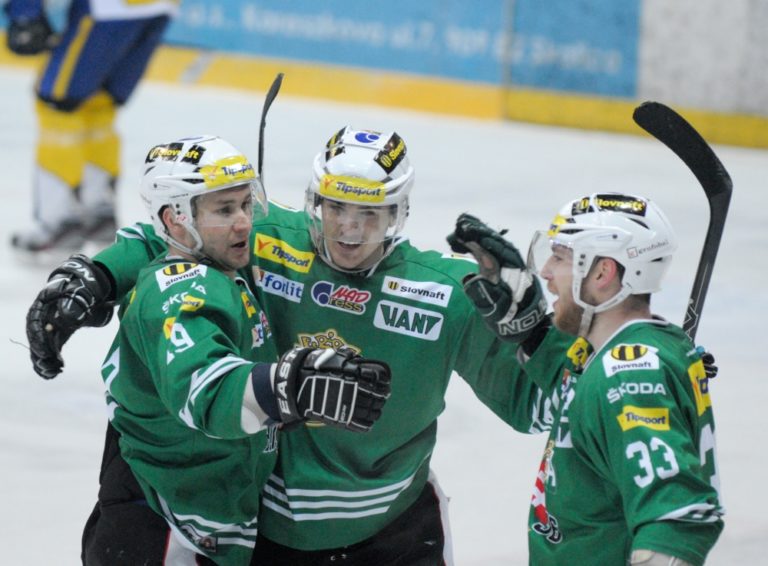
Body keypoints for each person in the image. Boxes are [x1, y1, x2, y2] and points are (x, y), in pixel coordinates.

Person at [26, 126, 565, 564]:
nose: (349, 230)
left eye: (369, 214)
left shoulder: (447, 295)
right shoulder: (264, 240)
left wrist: (534, 335)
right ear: (314, 203)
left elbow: (541, 409)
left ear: (398, 214)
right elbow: (169, 238)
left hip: (394, 536)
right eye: (336, 209)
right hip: (266, 536)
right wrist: (99, 275)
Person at [47, 134, 391, 565]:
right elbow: (205, 389)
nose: (245, 223)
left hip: (206, 519)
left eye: (246, 205)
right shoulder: (179, 292)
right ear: (175, 220)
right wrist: (289, 388)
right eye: (225, 210)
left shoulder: (224, 273)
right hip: (162, 525)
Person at [448, 194, 724, 565]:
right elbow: (578, 392)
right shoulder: (617, 353)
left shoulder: (628, 375)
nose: (546, 272)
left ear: (602, 272)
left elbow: (675, 518)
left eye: (560, 257)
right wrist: (532, 333)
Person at [4, 0, 176, 253]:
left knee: (58, 105)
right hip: (159, 8)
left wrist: (25, 13)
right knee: (99, 106)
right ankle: (99, 211)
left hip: (105, 10)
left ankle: (60, 221)